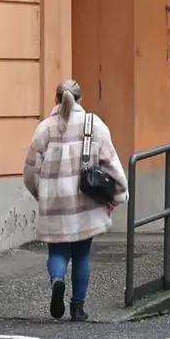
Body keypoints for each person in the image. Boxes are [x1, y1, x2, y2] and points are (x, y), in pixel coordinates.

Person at [23, 79, 128, 321]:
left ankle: (57, 280)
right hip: (85, 203)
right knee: (82, 255)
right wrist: (121, 192)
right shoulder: (94, 125)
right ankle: (78, 307)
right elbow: (111, 162)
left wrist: (40, 193)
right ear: (80, 99)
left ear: (55, 100)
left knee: (57, 253)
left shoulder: (45, 128)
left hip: (54, 201)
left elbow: (29, 170)